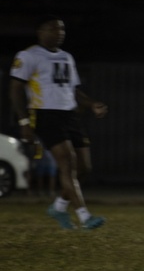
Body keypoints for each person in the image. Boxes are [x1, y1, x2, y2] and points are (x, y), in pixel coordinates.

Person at [9, 15, 107, 230]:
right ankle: (84, 216)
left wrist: (91, 104)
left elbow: (74, 89)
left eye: (62, 29)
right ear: (40, 31)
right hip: (45, 114)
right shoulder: (29, 55)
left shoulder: (67, 57)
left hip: (69, 115)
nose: (59, 33)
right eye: (53, 29)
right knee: (67, 163)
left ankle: (59, 208)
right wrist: (24, 121)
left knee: (84, 168)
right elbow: (16, 88)